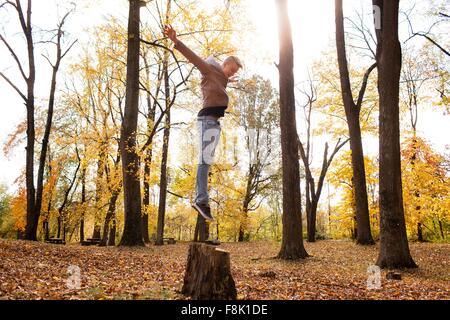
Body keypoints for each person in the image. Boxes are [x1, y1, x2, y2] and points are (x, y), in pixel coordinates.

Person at [164, 24, 242, 222]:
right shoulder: (209, 69)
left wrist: (228, 82)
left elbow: (220, 84)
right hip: (207, 120)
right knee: (204, 161)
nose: (231, 74)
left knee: (207, 161)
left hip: (213, 122)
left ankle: (202, 200)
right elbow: (195, 58)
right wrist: (176, 41)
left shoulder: (222, 79)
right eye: (230, 70)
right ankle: (201, 200)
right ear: (223, 65)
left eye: (233, 73)